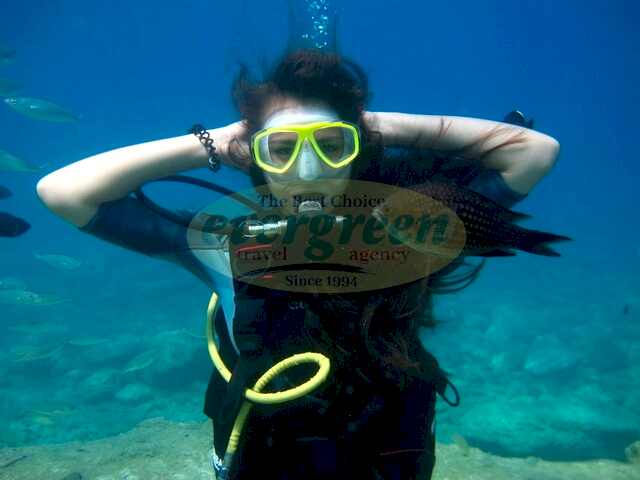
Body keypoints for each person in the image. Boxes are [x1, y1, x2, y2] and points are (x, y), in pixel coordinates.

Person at [37, 49, 561, 479]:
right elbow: (64, 191)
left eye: (333, 145)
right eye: (281, 149)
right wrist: (217, 142)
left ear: (358, 151)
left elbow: (535, 152)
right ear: (254, 156)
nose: (307, 169)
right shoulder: (224, 244)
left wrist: (370, 124)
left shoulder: (410, 228)